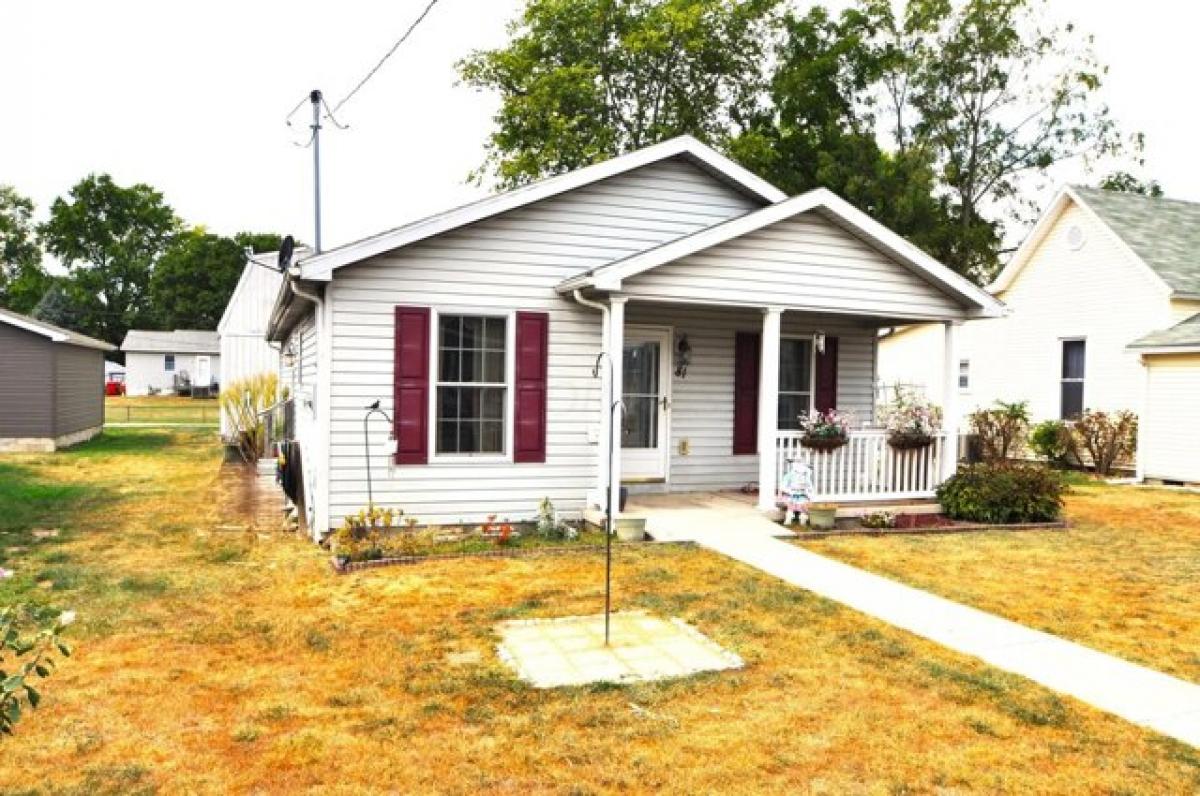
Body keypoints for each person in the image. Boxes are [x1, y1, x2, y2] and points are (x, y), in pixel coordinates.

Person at [780, 457, 815, 525]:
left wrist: (808, 492)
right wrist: (790, 490)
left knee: (803, 505)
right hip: (792, 494)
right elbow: (783, 486)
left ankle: (803, 521)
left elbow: (810, 487)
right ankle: (788, 520)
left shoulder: (806, 477)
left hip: (803, 495)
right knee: (790, 505)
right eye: (798, 464)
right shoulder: (789, 475)